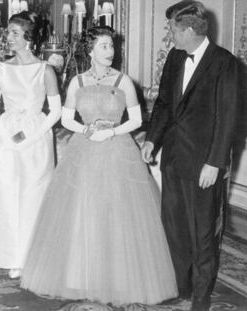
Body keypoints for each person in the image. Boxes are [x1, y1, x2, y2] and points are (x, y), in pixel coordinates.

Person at [20, 26, 178, 307]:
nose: (111, 51)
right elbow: (66, 118)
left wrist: (112, 132)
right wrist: (85, 130)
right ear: (90, 51)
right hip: (84, 152)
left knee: (116, 212)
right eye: (105, 46)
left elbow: (137, 120)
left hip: (118, 153)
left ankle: (119, 279)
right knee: (83, 211)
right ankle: (80, 276)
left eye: (112, 46)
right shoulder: (77, 83)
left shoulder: (124, 81)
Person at [140, 2, 240, 310]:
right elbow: (165, 104)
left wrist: (215, 162)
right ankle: (179, 287)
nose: (169, 37)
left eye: (172, 30)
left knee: (203, 233)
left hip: (203, 164)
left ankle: (200, 296)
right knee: (175, 227)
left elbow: (227, 118)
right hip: (173, 158)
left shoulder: (225, 63)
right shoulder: (174, 57)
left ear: (189, 31)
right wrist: (152, 140)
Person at [0, 11, 61, 279]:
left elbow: (55, 111)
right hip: (7, 139)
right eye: (9, 32)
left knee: (33, 197)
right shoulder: (1, 69)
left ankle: (33, 255)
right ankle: (12, 256)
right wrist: (8, 136)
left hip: (36, 139)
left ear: (29, 37)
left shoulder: (45, 70)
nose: (9, 37)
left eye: (15, 33)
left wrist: (30, 137)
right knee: (7, 197)